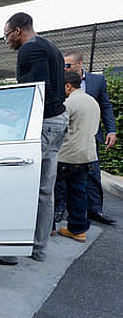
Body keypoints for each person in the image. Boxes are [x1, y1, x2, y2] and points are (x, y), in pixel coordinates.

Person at [0, 12, 68, 265]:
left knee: (18, 186)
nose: (6, 41)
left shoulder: (29, 50)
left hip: (42, 126)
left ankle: (7, 252)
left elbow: (39, 90)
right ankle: (38, 250)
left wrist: (14, 116)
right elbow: (51, 90)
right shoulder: (52, 48)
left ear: (18, 30)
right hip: (58, 122)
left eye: (6, 35)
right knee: (44, 192)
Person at [55, 51, 117, 225]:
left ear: (79, 64)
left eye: (68, 65)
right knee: (68, 179)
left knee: (92, 175)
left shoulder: (97, 81)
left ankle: (95, 210)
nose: (64, 68)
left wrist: (111, 130)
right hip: (69, 138)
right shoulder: (61, 80)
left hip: (90, 137)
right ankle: (61, 210)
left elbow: (105, 106)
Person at [54, 71, 101, 242]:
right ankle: (78, 229)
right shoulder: (92, 101)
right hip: (87, 155)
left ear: (68, 86)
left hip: (67, 155)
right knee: (79, 192)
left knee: (53, 191)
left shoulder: (69, 103)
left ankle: (49, 226)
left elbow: (59, 128)